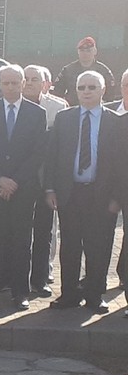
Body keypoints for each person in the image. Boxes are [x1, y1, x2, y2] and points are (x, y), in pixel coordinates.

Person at [0, 65, 47, 311]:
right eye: (6, 83)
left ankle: (20, 292)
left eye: (15, 83)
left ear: (23, 83)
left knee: (22, 241)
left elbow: (38, 152)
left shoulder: (37, 113)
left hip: (23, 189)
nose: (11, 87)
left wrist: (15, 181)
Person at [45, 71, 121, 314]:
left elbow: (123, 164)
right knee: (70, 246)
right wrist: (50, 188)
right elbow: (52, 155)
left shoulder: (116, 121)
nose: (86, 91)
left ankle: (95, 295)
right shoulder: (64, 118)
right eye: (81, 87)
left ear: (103, 90)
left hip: (102, 196)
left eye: (91, 87)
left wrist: (117, 198)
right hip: (70, 193)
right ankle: (69, 294)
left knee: (99, 247)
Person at [23, 65, 68, 297]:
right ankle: (17, 276)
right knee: (18, 231)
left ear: (45, 83)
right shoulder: (14, 105)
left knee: (45, 230)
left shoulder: (58, 107)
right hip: (20, 178)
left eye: (35, 79)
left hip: (46, 178)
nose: (29, 83)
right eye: (26, 78)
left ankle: (41, 276)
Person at [106, 69, 128, 290]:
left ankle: (124, 274)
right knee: (101, 235)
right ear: (121, 87)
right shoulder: (108, 112)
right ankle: (96, 277)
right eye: (127, 85)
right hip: (106, 188)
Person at [52, 36, 116, 106]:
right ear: (78, 52)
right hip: (73, 108)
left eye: (88, 51)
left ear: (95, 51)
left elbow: (110, 95)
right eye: (82, 50)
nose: (85, 53)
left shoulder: (104, 71)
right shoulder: (68, 70)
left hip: (97, 109)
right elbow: (57, 93)